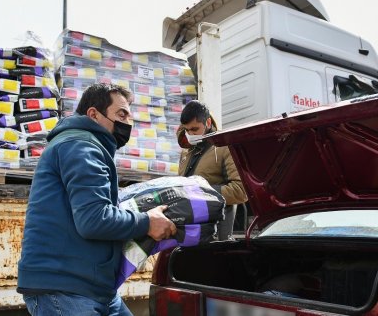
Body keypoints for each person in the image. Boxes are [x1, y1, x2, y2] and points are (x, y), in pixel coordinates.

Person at [18, 83, 176, 316]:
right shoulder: (81, 147)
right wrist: (147, 222)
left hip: (92, 287)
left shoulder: (85, 145)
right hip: (64, 288)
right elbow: (93, 219)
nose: (127, 122)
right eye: (121, 114)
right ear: (93, 114)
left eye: (129, 116)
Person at [177, 100, 247, 240]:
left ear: (208, 123)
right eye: (187, 130)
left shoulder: (225, 147)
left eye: (195, 129)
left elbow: (241, 190)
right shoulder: (186, 152)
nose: (190, 134)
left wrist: (201, 193)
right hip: (190, 230)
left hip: (215, 233)